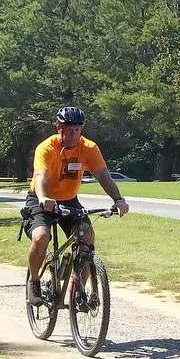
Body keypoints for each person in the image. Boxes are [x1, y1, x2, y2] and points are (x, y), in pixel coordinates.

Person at [24, 106, 129, 305]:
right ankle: (35, 281)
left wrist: (118, 200)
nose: (73, 134)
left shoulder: (89, 148)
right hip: (40, 198)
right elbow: (41, 176)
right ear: (58, 127)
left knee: (86, 238)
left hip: (69, 200)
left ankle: (77, 290)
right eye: (68, 129)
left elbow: (103, 176)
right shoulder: (46, 148)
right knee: (41, 236)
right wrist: (44, 198)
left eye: (77, 130)